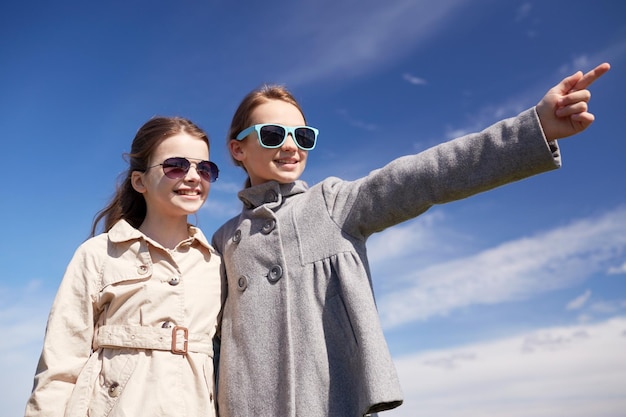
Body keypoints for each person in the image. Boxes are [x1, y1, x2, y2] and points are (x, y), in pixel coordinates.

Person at [211, 62, 611, 417]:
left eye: (303, 135)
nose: (290, 145)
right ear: (237, 148)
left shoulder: (333, 203)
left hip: (331, 402)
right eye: (272, 133)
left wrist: (534, 128)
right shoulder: (222, 240)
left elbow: (426, 175)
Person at [25, 117, 223, 417]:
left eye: (205, 169)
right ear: (139, 181)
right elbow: (60, 365)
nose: (194, 176)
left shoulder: (218, 265)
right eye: (176, 165)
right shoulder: (97, 255)